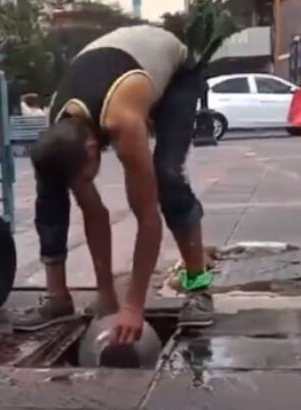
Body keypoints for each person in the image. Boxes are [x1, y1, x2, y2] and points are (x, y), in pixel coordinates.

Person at [14, 24, 216, 343]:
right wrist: (105, 294)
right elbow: (95, 214)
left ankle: (198, 286)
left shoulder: (122, 119)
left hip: (176, 72)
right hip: (113, 62)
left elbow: (147, 216)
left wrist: (134, 306)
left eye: (84, 180)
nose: (84, 189)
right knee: (49, 185)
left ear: (92, 149)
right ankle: (57, 298)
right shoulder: (58, 123)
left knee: (167, 176)